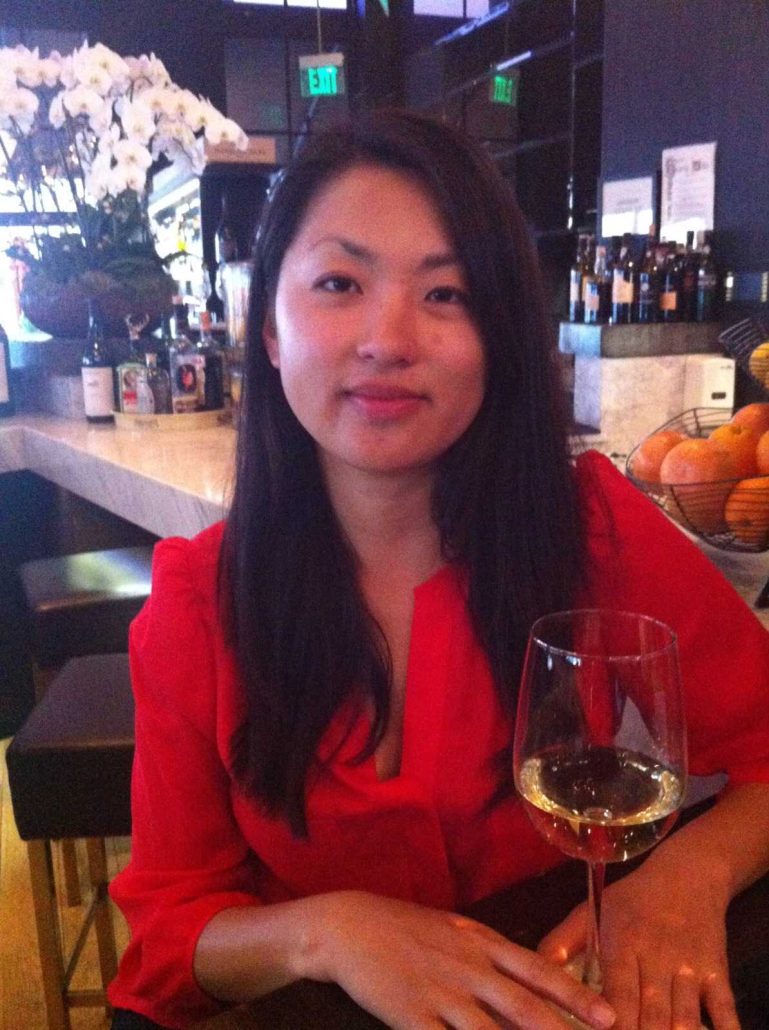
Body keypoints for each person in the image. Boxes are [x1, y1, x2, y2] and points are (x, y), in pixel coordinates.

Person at [108, 110, 769, 1030]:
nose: (388, 339)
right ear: (266, 328)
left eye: (447, 294)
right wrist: (330, 933)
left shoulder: (593, 531)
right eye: (339, 282)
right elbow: (170, 938)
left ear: (499, 337)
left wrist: (687, 873)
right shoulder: (198, 604)